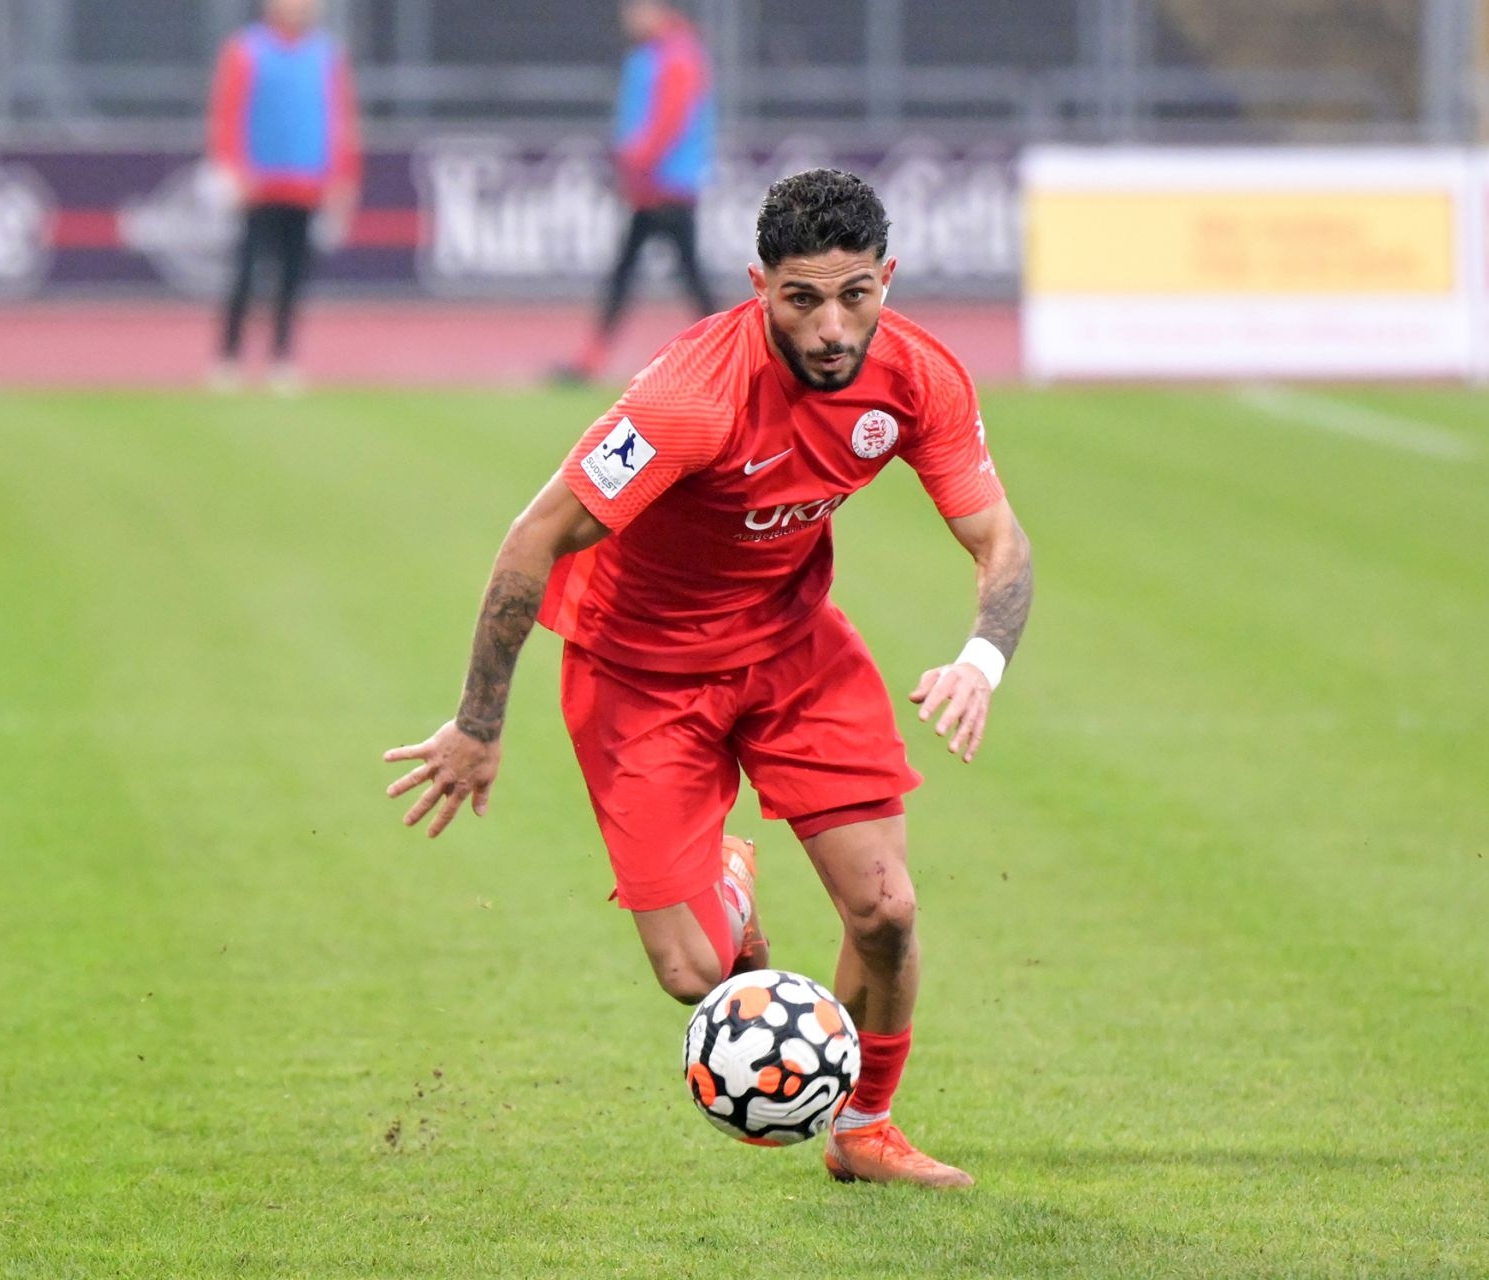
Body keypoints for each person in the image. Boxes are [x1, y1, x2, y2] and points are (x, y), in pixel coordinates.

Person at [386, 169, 1033, 1189]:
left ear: (888, 279)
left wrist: (980, 660)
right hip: (638, 672)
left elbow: (999, 538)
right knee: (694, 971)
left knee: (886, 910)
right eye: (803, 299)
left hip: (792, 649)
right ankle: (730, 879)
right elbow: (533, 538)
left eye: (855, 295)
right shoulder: (690, 399)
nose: (832, 327)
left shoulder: (917, 377)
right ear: (758, 285)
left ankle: (864, 1129)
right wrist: (478, 721)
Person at [556, 0, 720, 383]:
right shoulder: (661, 53)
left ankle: (592, 359)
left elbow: (667, 121)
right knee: (668, 275)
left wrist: (635, 163)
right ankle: (592, 358)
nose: (629, 18)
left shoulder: (675, 55)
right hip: (655, 186)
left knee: (669, 275)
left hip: (665, 185)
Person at [206, 0, 362, 395]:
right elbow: (227, 112)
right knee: (247, 272)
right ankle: (229, 356)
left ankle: (282, 357)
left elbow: (340, 119)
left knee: (294, 277)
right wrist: (231, 167)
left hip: (307, 182)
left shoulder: (326, 54)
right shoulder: (247, 49)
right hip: (258, 182)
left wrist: (343, 176)